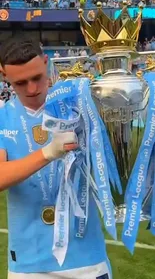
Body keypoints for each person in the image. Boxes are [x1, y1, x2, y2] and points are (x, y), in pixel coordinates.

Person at [0, 35, 112, 279]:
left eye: (37, 78)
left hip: (86, 259)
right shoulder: (2, 118)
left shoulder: (80, 106)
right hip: (29, 263)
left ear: (46, 62)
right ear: (3, 75)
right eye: (20, 83)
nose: (32, 89)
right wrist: (48, 153)